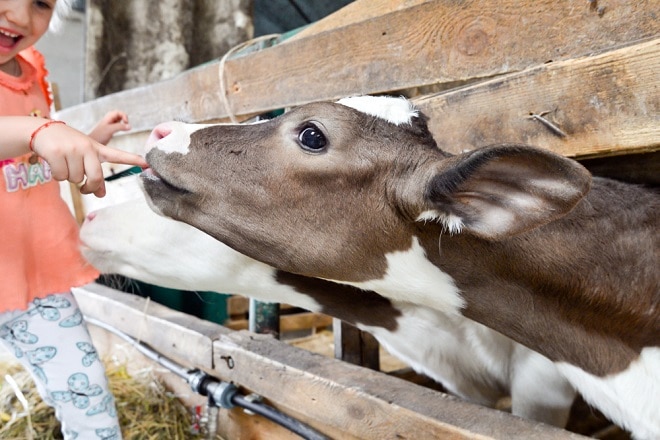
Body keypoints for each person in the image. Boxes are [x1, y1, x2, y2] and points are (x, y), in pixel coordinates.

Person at [0, 1, 147, 438]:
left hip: (35, 278)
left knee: (87, 394)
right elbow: (33, 136)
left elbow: (27, 163)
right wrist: (40, 131)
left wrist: (88, 142)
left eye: (41, 3)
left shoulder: (33, 71)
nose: (21, 17)